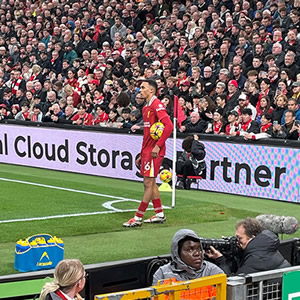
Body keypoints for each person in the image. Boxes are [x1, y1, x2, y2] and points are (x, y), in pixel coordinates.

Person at [123, 79, 173, 227]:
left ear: (151, 90)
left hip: (154, 152)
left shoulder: (157, 105)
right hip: (147, 151)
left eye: (143, 88)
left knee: (148, 183)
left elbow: (169, 126)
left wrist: (157, 146)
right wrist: (141, 152)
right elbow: (147, 134)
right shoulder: (146, 107)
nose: (140, 90)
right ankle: (159, 213)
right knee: (151, 183)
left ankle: (138, 217)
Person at [206, 218, 291, 275]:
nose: (237, 242)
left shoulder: (256, 257)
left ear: (252, 237)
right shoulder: (263, 245)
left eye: (239, 238)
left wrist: (221, 260)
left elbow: (234, 283)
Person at [152, 229, 224, 285]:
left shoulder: (213, 272)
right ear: (177, 253)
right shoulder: (162, 274)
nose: (197, 254)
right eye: (189, 250)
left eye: (199, 249)